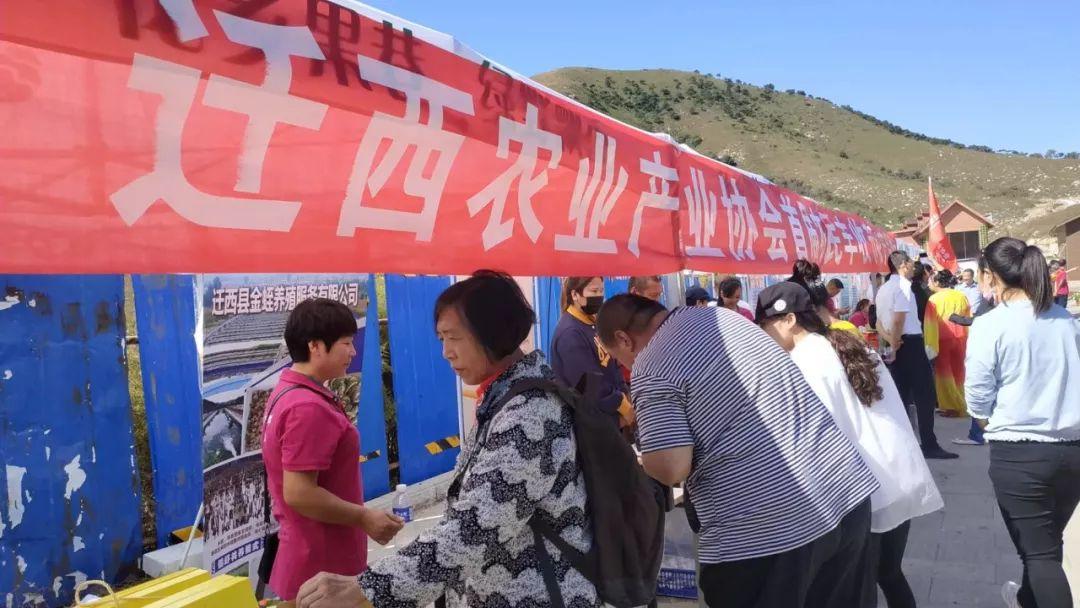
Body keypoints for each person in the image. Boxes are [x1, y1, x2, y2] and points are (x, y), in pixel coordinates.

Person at [298, 271, 599, 608]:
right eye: (441, 338)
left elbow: (475, 528)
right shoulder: (507, 396)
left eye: (453, 338)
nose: (445, 352)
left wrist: (368, 589)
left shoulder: (529, 414)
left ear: (494, 333)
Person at [596, 295, 878, 608]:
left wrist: (643, 457)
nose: (626, 366)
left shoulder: (651, 363)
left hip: (765, 529)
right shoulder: (725, 319)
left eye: (619, 358)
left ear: (624, 339)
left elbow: (671, 467)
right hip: (844, 490)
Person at [756, 282, 943, 608]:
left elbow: (811, 440)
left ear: (789, 320)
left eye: (764, 326)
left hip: (862, 491)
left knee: (856, 588)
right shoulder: (847, 343)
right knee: (889, 574)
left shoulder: (805, 361)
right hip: (896, 476)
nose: (762, 335)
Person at [261, 298, 404, 601]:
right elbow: (300, 492)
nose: (353, 352)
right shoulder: (307, 407)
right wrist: (364, 517)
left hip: (308, 555)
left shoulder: (288, 392)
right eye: (346, 343)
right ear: (315, 346)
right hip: (321, 566)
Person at [965, 239, 1080, 608]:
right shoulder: (1065, 320)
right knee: (1046, 546)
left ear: (990, 276)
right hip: (1071, 450)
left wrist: (985, 423)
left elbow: (978, 392)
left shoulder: (991, 324)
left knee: (1041, 555)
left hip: (1021, 454)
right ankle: (1026, 600)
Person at [875, 251, 958, 460]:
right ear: (903, 265)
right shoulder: (903, 287)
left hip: (897, 342)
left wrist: (891, 341)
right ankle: (928, 444)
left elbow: (878, 322)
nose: (914, 266)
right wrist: (895, 344)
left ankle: (902, 444)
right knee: (925, 395)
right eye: (911, 263)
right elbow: (898, 319)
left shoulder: (883, 289)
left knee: (901, 397)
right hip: (909, 343)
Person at [551, 276, 633, 429]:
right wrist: (622, 405)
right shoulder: (570, 334)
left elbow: (611, 364)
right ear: (575, 295)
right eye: (594, 291)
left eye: (601, 291)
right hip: (591, 426)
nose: (599, 296)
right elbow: (589, 384)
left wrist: (624, 392)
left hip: (610, 419)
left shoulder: (592, 323)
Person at [924, 271, 972, 420]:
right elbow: (968, 318)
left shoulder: (933, 299)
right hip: (961, 338)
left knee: (944, 375)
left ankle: (952, 406)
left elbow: (930, 324)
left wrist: (930, 346)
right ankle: (963, 404)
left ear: (938, 282)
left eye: (931, 281)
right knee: (959, 373)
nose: (929, 284)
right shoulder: (961, 296)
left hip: (942, 340)